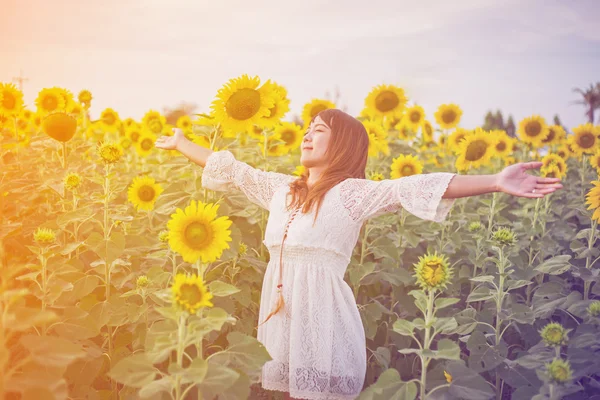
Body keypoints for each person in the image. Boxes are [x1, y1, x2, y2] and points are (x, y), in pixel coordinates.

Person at [155, 109, 562, 400]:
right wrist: (181, 143)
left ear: (343, 143)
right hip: (280, 315)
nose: (306, 136)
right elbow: (234, 170)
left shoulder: (351, 194)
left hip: (322, 317)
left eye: (318, 130)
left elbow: (414, 187)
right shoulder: (283, 190)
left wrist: (495, 181)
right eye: (307, 130)